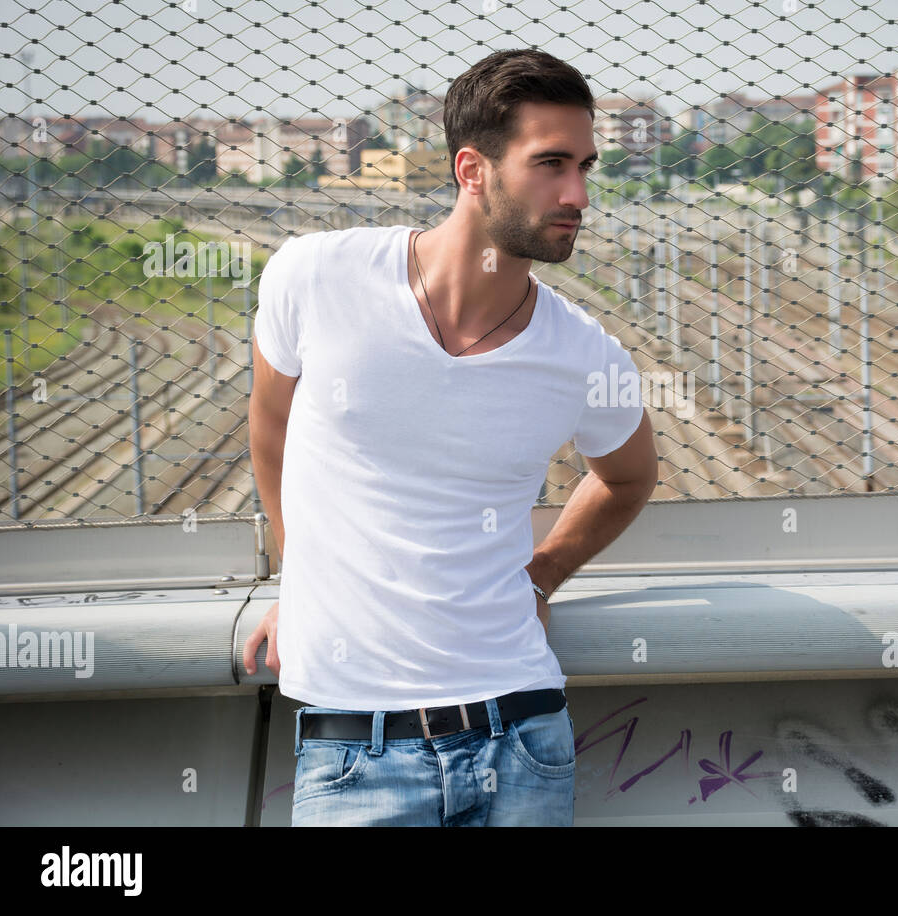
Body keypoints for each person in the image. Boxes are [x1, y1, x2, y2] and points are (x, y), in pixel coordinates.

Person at [243, 48, 658, 826]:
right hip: (353, 750)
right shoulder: (314, 278)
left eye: (587, 166)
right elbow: (271, 428)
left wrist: (542, 576)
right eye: (552, 165)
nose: (578, 193)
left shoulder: (582, 351)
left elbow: (629, 477)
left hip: (524, 740)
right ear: (473, 170)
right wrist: (297, 575)